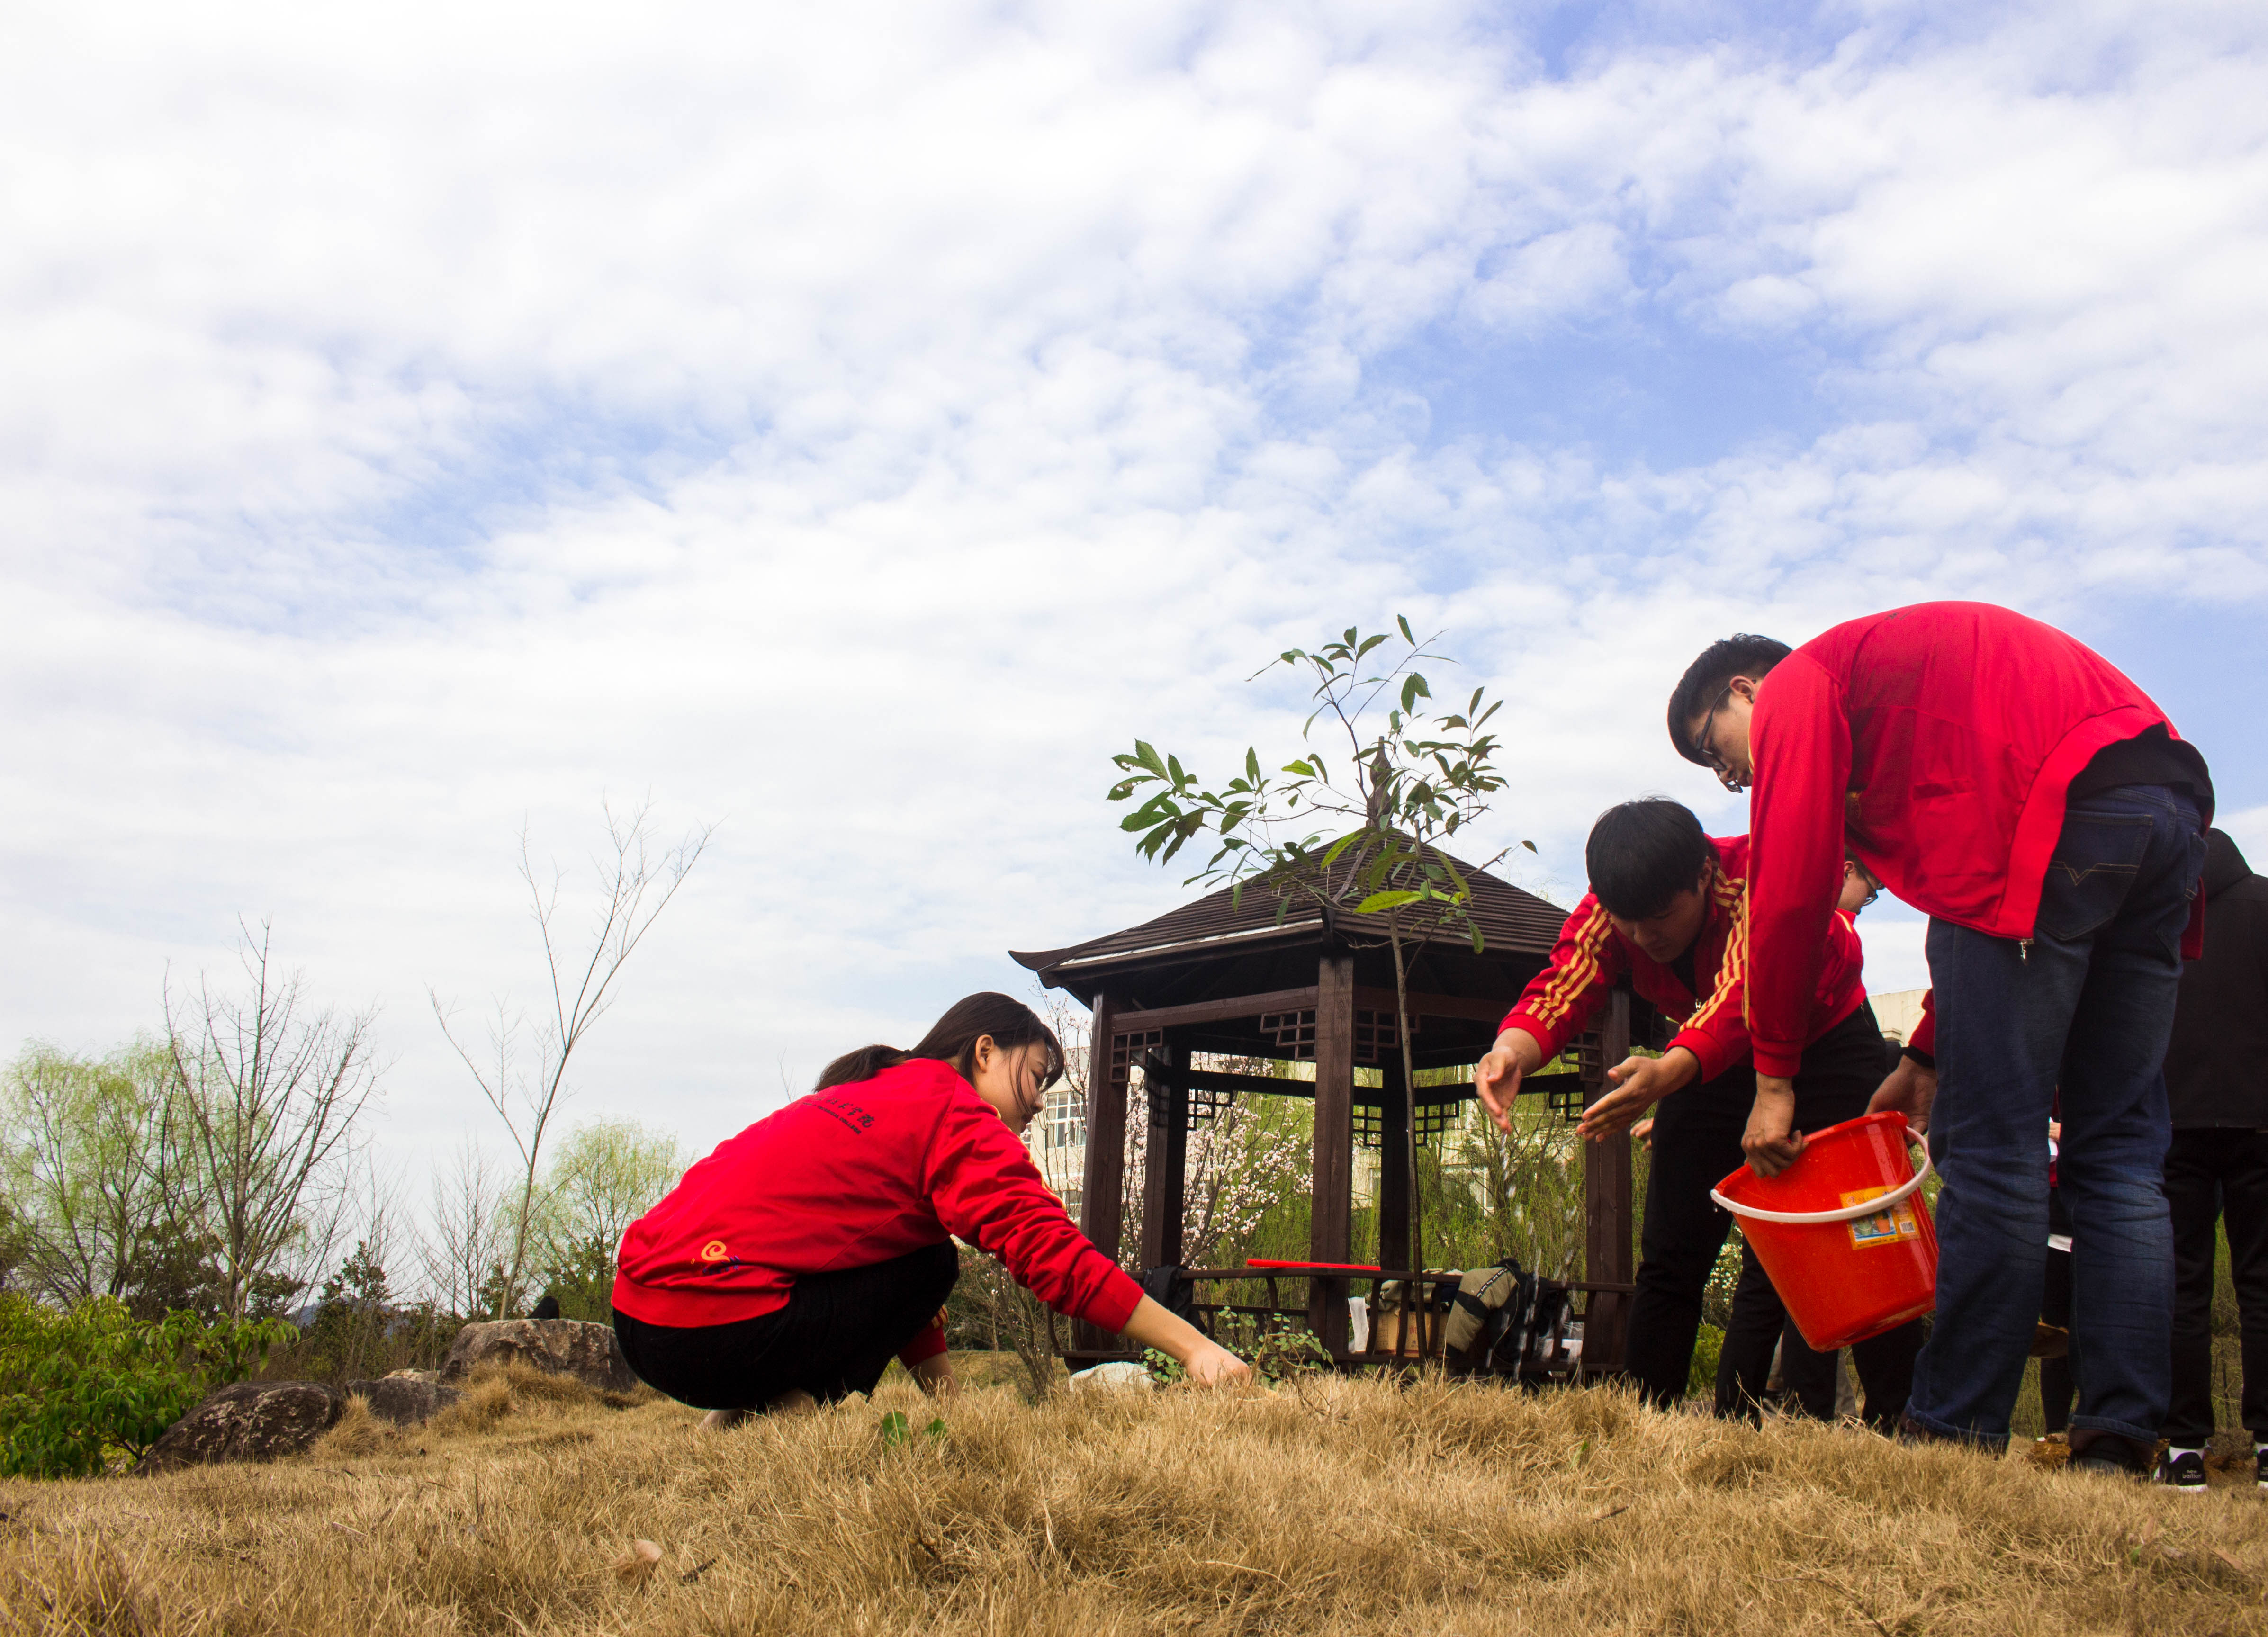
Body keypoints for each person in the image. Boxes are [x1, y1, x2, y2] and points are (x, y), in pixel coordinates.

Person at [1667, 603, 2211, 1474]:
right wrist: (1925, 1054)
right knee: (2119, 1155)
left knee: (1992, 1151)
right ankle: (2117, 1439)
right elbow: (1982, 916)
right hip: (2167, 810)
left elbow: (1792, 892)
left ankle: (1956, 1429)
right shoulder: (1911, 688)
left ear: (1746, 689)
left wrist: (1774, 1079)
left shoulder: (1802, 683)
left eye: (1715, 748)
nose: (1730, 776)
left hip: (2049, 820)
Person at [1474, 800, 1918, 1425]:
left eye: (1661, 918)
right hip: (1704, 1055)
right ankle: (1648, 1418)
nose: (1645, 938)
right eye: (1629, 924)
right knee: (1671, 1252)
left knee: (1862, 1230)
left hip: (1825, 1043)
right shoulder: (1612, 910)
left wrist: (1667, 1073)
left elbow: (1745, 989)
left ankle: (1901, 1420)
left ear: (1705, 876)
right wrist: (1511, 1051)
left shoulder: (1761, 877)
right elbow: (1567, 978)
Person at [611, 992, 1249, 1420]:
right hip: (718, 1331)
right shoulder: (952, 1112)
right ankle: (785, 1410)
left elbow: (896, 1282)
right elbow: (1049, 1253)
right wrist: (1195, 1348)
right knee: (933, 1263)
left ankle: (740, 1417)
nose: (1036, 1103)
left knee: (922, 1258)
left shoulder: (874, 1087)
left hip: (642, 1321)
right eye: (1035, 1076)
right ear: (984, 1052)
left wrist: (951, 1413)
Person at [2160, 829, 2268, 1492]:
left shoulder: (2162, 916)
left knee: (2182, 1287)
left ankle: (2185, 1449)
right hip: (2261, 1120)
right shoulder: (2265, 904)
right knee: (2262, 1284)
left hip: (2176, 1121)